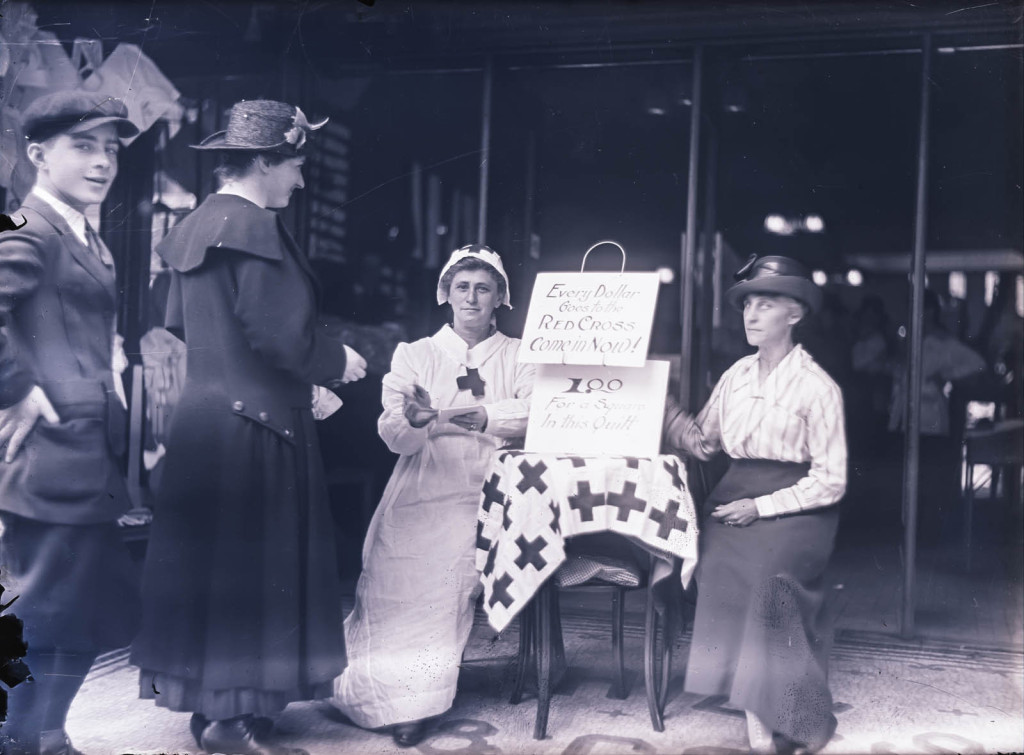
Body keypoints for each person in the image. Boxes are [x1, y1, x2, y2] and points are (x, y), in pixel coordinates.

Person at [129, 99, 367, 755]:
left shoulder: (201, 224)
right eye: (293, 164)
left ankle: (216, 710)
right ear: (263, 162)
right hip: (257, 433)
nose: (299, 178)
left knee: (214, 570)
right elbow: (279, 336)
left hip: (204, 424)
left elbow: (189, 324)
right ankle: (230, 724)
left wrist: (296, 383)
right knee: (252, 569)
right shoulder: (253, 226)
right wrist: (334, 363)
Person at [330, 245, 535, 747]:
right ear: (446, 293)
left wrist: (477, 417)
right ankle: (372, 693)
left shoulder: (519, 354)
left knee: (444, 580)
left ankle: (416, 705)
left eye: (483, 288)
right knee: (390, 575)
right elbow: (394, 436)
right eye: (462, 286)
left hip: (488, 485)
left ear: (499, 298)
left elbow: (535, 412)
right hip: (422, 480)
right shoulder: (415, 354)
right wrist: (415, 421)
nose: (471, 297)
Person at [0, 90, 141, 755]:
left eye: (110, 148)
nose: (102, 161)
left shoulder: (83, 232)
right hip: (51, 456)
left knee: (87, 607)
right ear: (38, 154)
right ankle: (19, 737)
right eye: (83, 145)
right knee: (42, 610)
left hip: (88, 454)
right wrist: (18, 390)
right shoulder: (31, 228)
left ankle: (46, 734)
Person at [664, 254, 847, 754]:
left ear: (795, 314)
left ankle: (786, 713)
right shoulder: (737, 377)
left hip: (799, 510)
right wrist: (659, 404)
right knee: (718, 560)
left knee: (771, 578)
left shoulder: (818, 388)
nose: (751, 314)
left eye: (766, 304)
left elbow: (830, 481)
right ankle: (753, 702)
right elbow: (704, 442)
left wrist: (762, 508)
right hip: (734, 494)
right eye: (748, 304)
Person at [887, 288, 985, 543]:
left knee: (928, 476)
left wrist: (947, 377)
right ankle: (909, 531)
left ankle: (928, 533)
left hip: (930, 415)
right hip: (905, 414)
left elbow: (976, 363)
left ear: (929, 311)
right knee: (908, 476)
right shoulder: (909, 339)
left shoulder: (943, 342)